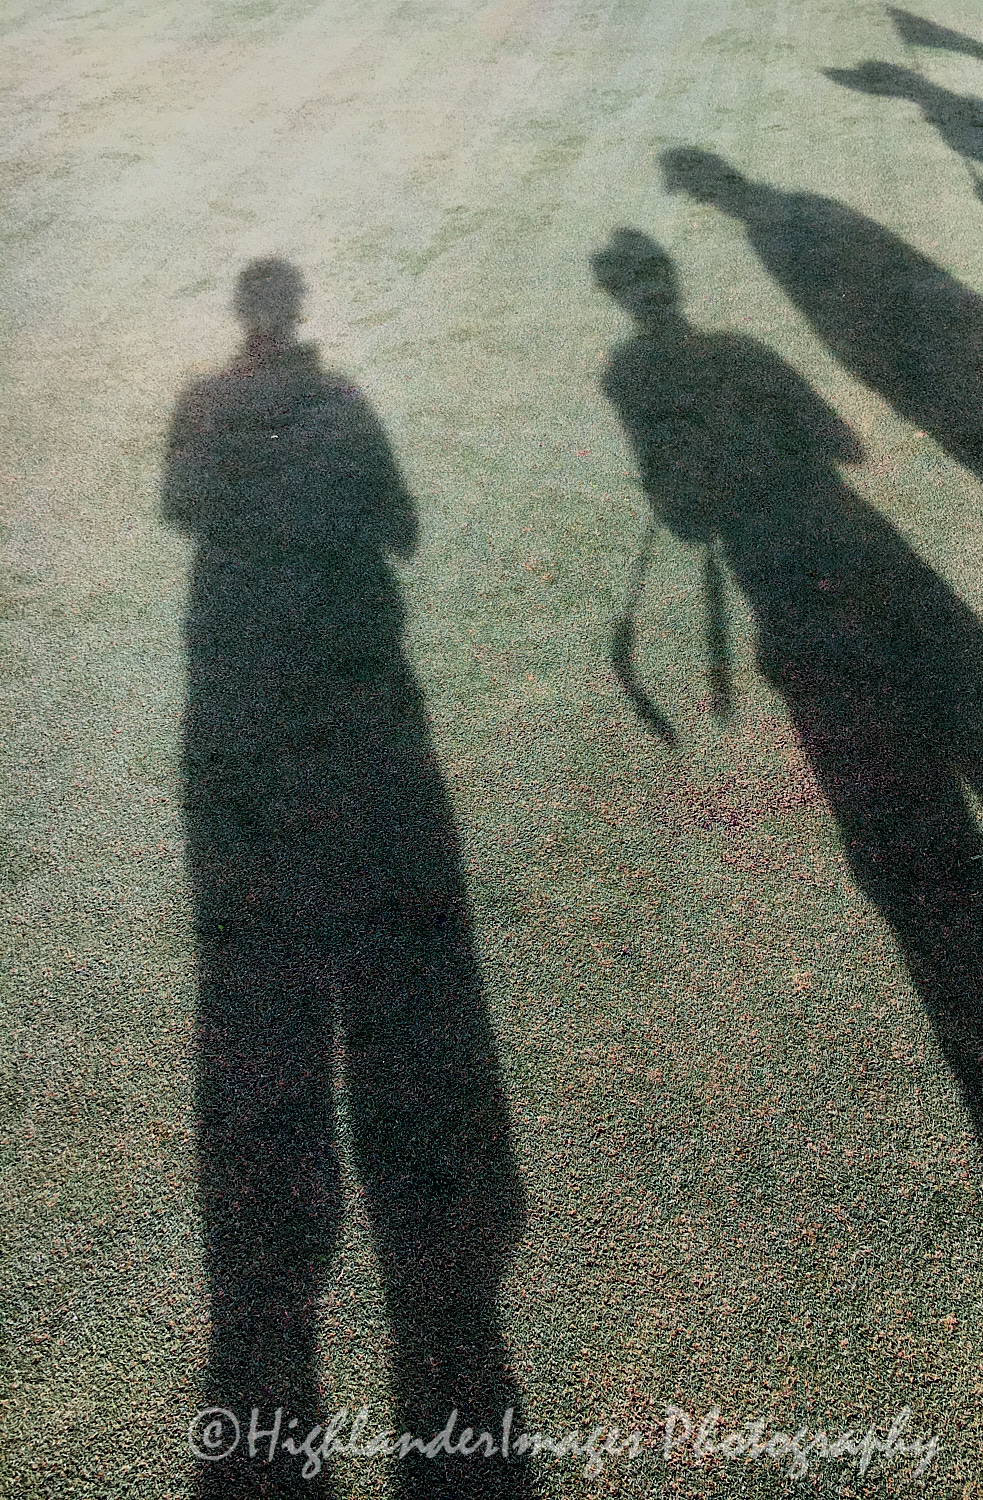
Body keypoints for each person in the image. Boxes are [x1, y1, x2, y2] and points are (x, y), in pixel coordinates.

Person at [592, 229, 983, 1479]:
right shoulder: (739, 350)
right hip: (865, 558)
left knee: (918, 862)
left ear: (621, 298)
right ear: (672, 284)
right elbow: (842, 439)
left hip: (791, 601)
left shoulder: (635, 383)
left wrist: (703, 477)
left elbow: (680, 511)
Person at [165, 259, 532, 1498]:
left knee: (253, 974)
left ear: (243, 320)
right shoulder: (346, 407)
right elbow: (400, 529)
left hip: (238, 704)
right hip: (352, 701)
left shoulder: (202, 407)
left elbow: (183, 510)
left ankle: (274, 1272)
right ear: (301, 315)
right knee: (396, 955)